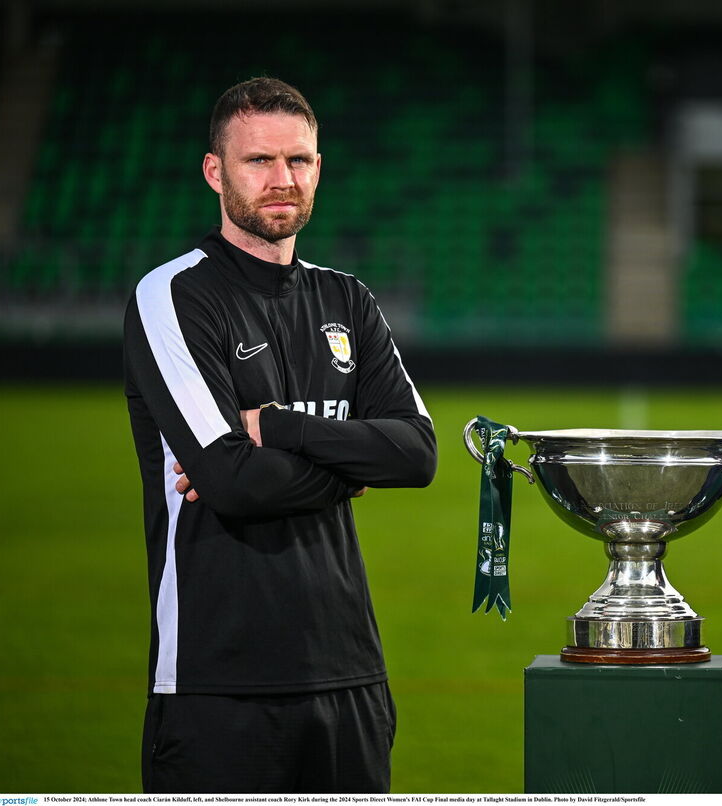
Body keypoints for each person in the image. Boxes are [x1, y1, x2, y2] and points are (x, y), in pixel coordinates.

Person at [123, 77, 437, 793]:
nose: (281, 180)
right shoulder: (174, 295)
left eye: (298, 160)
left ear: (318, 168)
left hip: (351, 673)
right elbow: (232, 484)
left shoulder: (346, 298)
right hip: (218, 679)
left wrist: (281, 429)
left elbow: (417, 454)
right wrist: (356, 463)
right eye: (258, 161)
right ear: (215, 172)